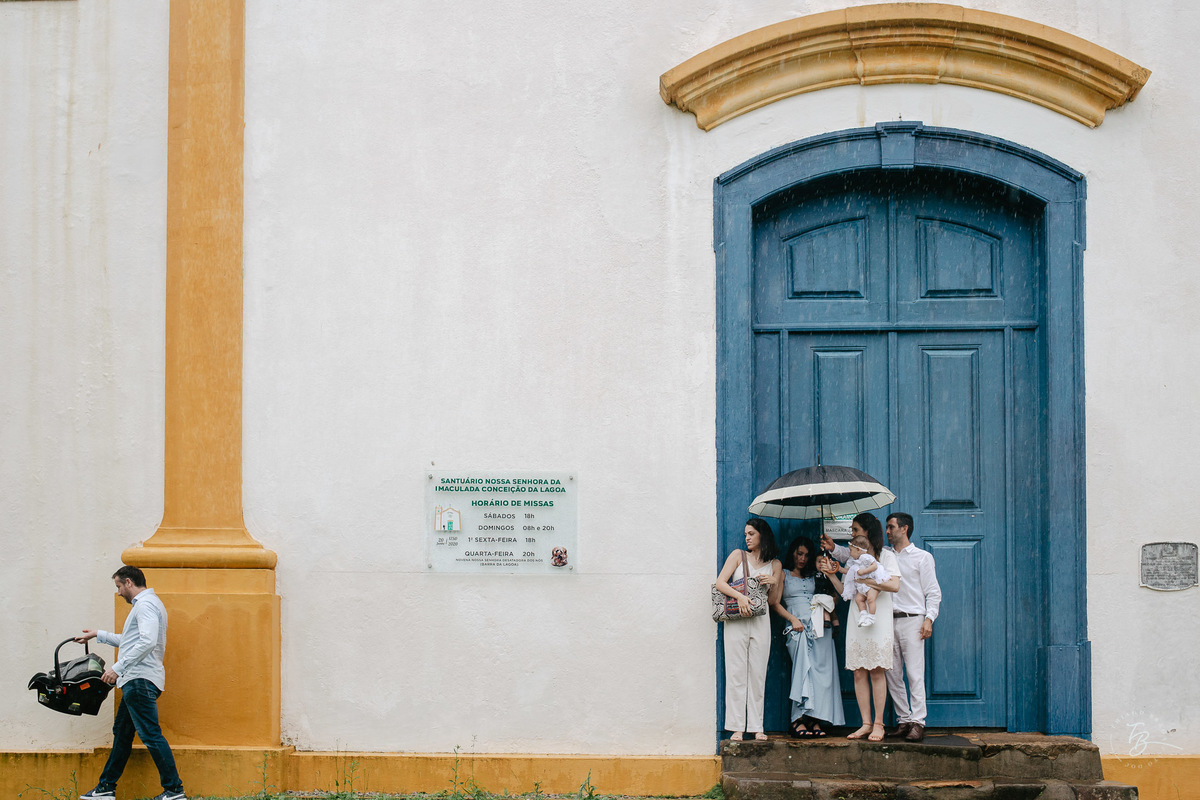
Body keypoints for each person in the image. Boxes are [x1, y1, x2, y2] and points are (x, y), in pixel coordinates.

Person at [76, 566, 186, 800]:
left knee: (151, 735)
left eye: (118, 587)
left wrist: (117, 669)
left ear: (128, 582)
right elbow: (130, 641)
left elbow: (147, 642)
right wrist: (97, 634)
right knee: (123, 734)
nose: (118, 593)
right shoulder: (148, 605)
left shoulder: (145, 605)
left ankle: (174, 790)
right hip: (138, 679)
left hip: (139, 679)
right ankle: (105, 788)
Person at [817, 513, 899, 742]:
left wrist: (868, 580)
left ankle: (879, 724)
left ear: (867, 532)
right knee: (858, 671)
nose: (851, 536)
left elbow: (894, 585)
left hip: (878, 618)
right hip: (856, 617)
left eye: (855, 531)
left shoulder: (886, 556)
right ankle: (865, 723)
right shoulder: (852, 562)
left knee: (876, 670)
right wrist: (832, 574)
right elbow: (846, 593)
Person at [715, 518, 783, 741]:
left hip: (761, 622)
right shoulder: (738, 555)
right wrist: (741, 597)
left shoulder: (775, 565)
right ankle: (736, 727)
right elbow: (720, 583)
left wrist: (774, 581)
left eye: (751, 534)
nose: (747, 538)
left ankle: (757, 726)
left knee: (757, 673)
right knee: (735, 672)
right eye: (746, 534)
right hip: (736, 620)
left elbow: (773, 601)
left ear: (762, 535)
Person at [771, 537, 845, 737]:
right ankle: (797, 719)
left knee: (821, 676)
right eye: (799, 554)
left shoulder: (815, 576)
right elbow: (775, 602)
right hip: (798, 627)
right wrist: (792, 619)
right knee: (802, 671)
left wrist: (827, 578)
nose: (802, 558)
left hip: (820, 627)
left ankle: (815, 719)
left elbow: (836, 596)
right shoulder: (784, 574)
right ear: (793, 553)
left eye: (806, 555)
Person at [881, 512, 942, 742]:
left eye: (890, 527)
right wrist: (834, 549)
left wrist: (929, 618)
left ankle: (918, 721)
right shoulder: (884, 555)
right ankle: (903, 720)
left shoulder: (922, 557)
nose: (887, 531)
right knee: (892, 673)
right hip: (887, 620)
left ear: (904, 529)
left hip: (913, 619)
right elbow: (856, 554)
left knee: (914, 673)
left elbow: (933, 592)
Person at [840, 534, 891, 627]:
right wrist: (839, 569)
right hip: (863, 585)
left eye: (851, 550)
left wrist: (864, 571)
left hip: (872, 582)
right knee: (858, 599)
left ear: (858, 550)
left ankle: (871, 617)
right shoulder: (856, 561)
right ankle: (863, 614)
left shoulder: (866, 557)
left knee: (871, 599)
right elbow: (850, 571)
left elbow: (874, 565)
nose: (850, 553)